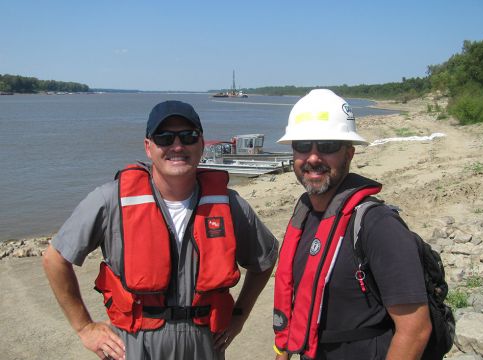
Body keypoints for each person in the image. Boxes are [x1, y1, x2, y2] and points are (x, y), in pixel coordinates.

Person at [43, 100, 278, 360]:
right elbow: (55, 258)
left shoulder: (229, 204)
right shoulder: (110, 201)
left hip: (204, 343)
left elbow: (264, 260)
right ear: (148, 147)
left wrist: (238, 317)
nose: (177, 146)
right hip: (134, 344)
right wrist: (85, 327)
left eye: (188, 136)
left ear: (201, 144)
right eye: (164, 137)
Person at [272, 89, 432, 360]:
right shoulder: (305, 215)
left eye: (327, 146)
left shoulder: (378, 226)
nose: (312, 158)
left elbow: (415, 330)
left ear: (349, 153)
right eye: (303, 145)